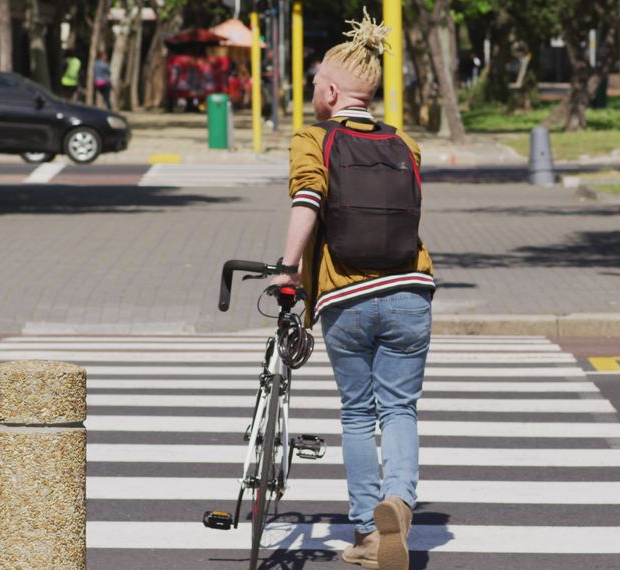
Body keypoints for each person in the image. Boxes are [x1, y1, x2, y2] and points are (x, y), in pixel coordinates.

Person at [271, 8, 434, 570]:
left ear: (333, 92)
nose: (313, 89)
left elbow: (308, 202)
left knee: (358, 414)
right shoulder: (405, 143)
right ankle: (400, 504)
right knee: (401, 410)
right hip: (412, 290)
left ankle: (369, 531)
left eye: (316, 81)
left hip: (348, 297)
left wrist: (287, 266)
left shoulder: (312, 138)